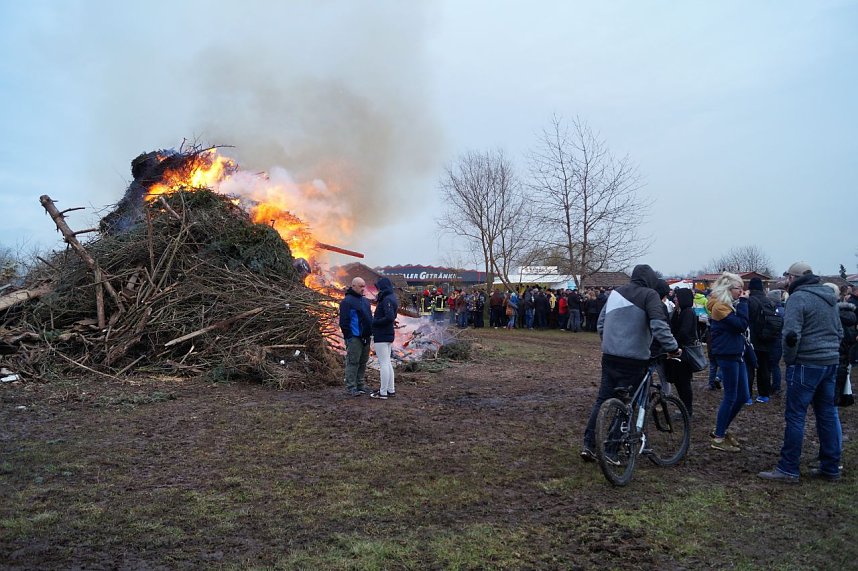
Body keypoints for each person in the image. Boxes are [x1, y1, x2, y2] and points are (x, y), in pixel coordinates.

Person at [580, 264, 681, 461]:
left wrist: (610, 342)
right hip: (634, 358)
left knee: (603, 400)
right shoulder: (649, 295)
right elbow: (659, 325)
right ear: (650, 279)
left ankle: (589, 445)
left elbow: (601, 323)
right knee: (629, 404)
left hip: (610, 355)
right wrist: (673, 348)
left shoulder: (615, 293)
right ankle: (611, 450)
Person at [759, 262, 843, 483]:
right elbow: (839, 330)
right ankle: (831, 467)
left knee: (796, 416)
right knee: (827, 414)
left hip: (806, 363)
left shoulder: (798, 298)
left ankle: (788, 468)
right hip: (830, 362)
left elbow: (791, 335)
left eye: (787, 277)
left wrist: (790, 359)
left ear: (793, 278)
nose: (786, 281)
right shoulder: (830, 297)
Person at [707, 272, 751, 452]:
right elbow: (741, 325)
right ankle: (718, 437)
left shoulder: (727, 305)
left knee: (743, 395)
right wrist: (744, 304)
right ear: (728, 289)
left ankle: (721, 429)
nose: (741, 291)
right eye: (738, 288)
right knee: (731, 396)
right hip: (727, 353)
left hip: (735, 353)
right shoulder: (720, 307)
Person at [666, 287, 698, 418]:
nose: (674, 299)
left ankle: (687, 410)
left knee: (684, 382)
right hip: (678, 351)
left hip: (683, 352)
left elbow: (684, 332)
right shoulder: (679, 312)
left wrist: (673, 343)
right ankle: (684, 408)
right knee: (679, 382)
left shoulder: (688, 313)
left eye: (677, 297)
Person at [339, 277, 373, 396]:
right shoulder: (347, 302)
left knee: (363, 362)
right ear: (353, 286)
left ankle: (360, 385)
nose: (363, 288)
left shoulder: (365, 301)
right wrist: (348, 336)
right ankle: (351, 387)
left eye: (364, 286)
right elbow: (344, 322)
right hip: (354, 337)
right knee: (353, 362)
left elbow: (369, 318)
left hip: (366, 337)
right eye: (360, 286)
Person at [746, 277, 775, 403]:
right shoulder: (769, 301)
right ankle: (764, 394)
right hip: (767, 339)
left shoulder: (749, 301)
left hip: (752, 339)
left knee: (749, 368)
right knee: (764, 368)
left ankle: (747, 396)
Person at [369, 277, 398, 400]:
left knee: (384, 363)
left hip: (382, 334)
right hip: (388, 333)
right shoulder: (391, 298)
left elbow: (390, 317)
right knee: (388, 363)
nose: (378, 290)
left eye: (379, 287)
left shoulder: (387, 299)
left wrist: (375, 322)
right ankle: (390, 390)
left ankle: (383, 392)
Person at [767, 289, 786, 395]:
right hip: (780, 340)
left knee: (773, 365)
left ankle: (775, 386)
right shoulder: (783, 310)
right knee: (775, 365)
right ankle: (776, 386)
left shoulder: (775, 312)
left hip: (775, 340)